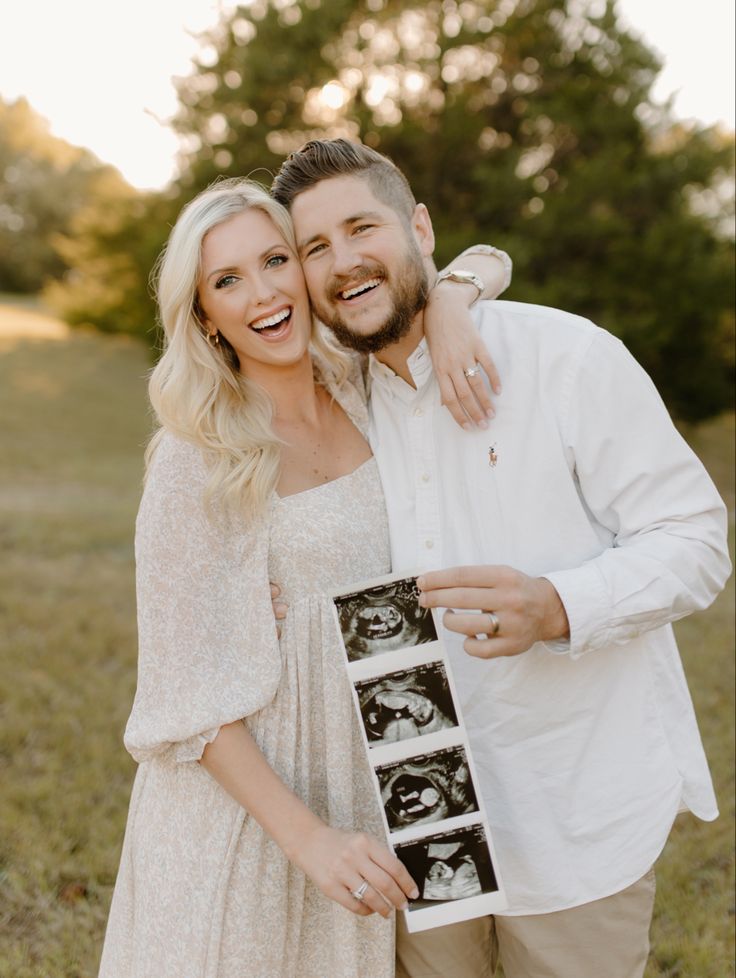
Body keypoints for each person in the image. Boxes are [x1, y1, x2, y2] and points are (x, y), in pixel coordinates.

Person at [270, 138, 732, 978]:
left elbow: (697, 537)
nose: (343, 262)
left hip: (574, 809)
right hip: (414, 814)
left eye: (361, 228)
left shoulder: (566, 358)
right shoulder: (329, 403)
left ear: (418, 226)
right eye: (314, 249)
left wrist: (558, 603)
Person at [97, 176, 512, 978]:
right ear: (204, 315)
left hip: (380, 759)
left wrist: (452, 303)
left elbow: (488, 259)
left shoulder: (364, 386)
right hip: (256, 806)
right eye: (227, 280)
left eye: (275, 260)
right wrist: (308, 838)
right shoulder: (199, 459)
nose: (262, 295)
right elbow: (186, 697)